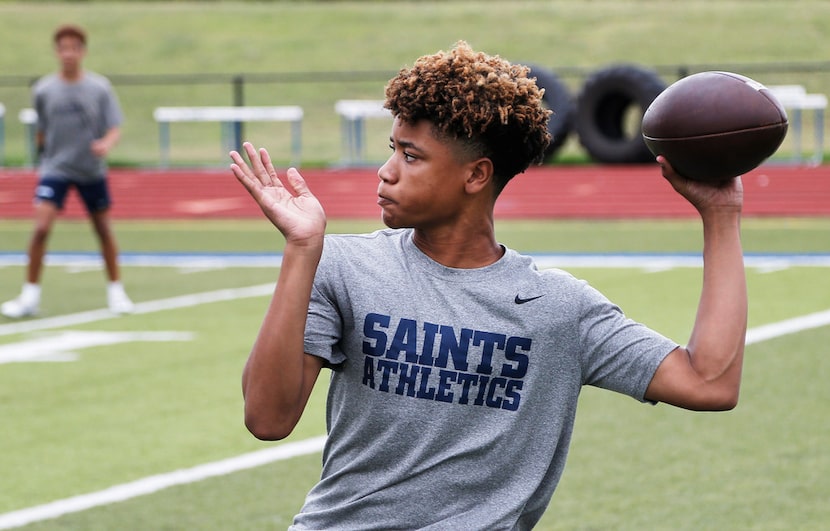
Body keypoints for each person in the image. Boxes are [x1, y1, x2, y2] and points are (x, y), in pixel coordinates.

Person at [229, 41, 746, 530]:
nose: (386, 172)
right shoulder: (340, 265)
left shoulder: (559, 307)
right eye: (393, 149)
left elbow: (709, 382)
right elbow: (267, 418)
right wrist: (301, 250)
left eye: (411, 156)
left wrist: (721, 215)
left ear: (476, 175)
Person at [1, 24, 133, 318]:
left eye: (75, 48)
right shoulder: (44, 89)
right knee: (41, 228)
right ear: (57, 52)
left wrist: (105, 145)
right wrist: (42, 157)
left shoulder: (99, 87)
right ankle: (29, 296)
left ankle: (116, 292)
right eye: (64, 48)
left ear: (82, 52)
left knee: (102, 229)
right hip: (56, 168)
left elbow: (114, 128)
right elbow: (41, 131)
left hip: (90, 170)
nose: (69, 54)